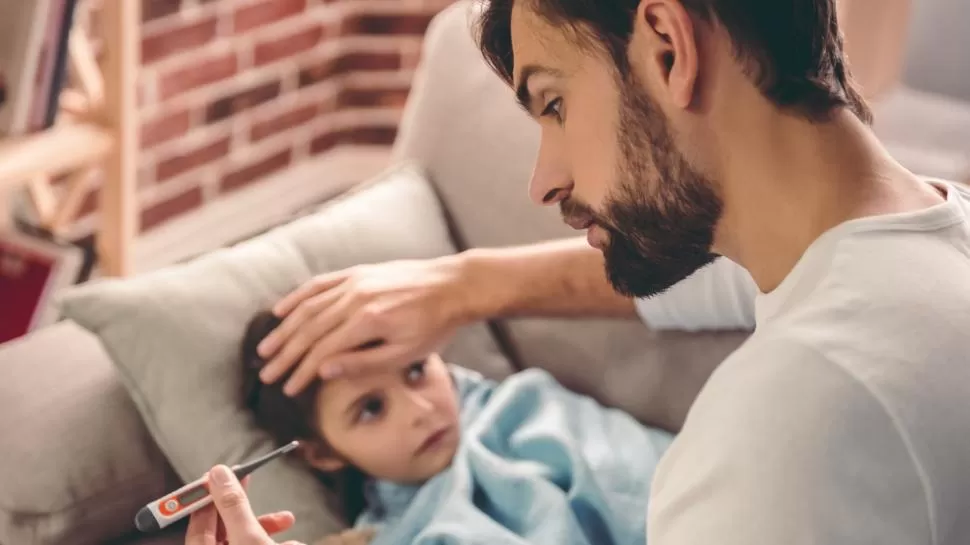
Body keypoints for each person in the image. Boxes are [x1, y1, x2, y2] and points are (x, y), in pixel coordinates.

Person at [188, 0, 970, 543]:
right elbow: (722, 279)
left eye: (552, 104)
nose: (543, 181)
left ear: (668, 45)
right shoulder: (930, 240)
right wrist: (464, 285)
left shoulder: (785, 427)